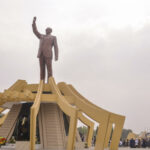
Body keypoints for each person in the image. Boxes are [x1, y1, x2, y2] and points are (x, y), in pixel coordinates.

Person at [32, 17, 58, 82]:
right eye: (46, 30)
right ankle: (42, 82)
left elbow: (56, 47)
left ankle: (50, 82)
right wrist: (34, 22)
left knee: (49, 69)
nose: (46, 30)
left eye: (48, 30)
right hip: (41, 54)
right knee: (42, 69)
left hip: (48, 54)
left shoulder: (53, 37)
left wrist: (56, 56)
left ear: (50, 31)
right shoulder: (41, 36)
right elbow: (35, 31)